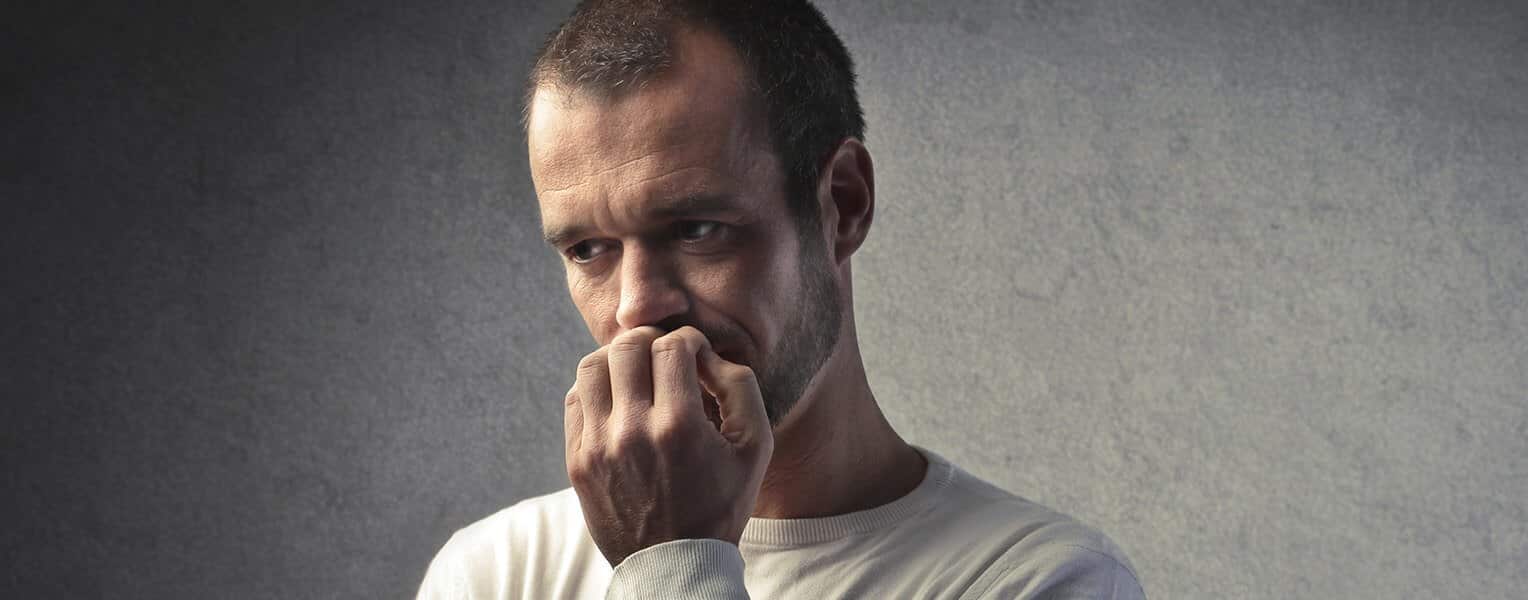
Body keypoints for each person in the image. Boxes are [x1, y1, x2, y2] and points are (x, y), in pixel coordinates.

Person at [414, 1, 1143, 598]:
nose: (636, 308)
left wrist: (672, 563)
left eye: (697, 229)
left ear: (843, 205)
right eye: (587, 249)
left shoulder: (1042, 581)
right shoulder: (492, 575)